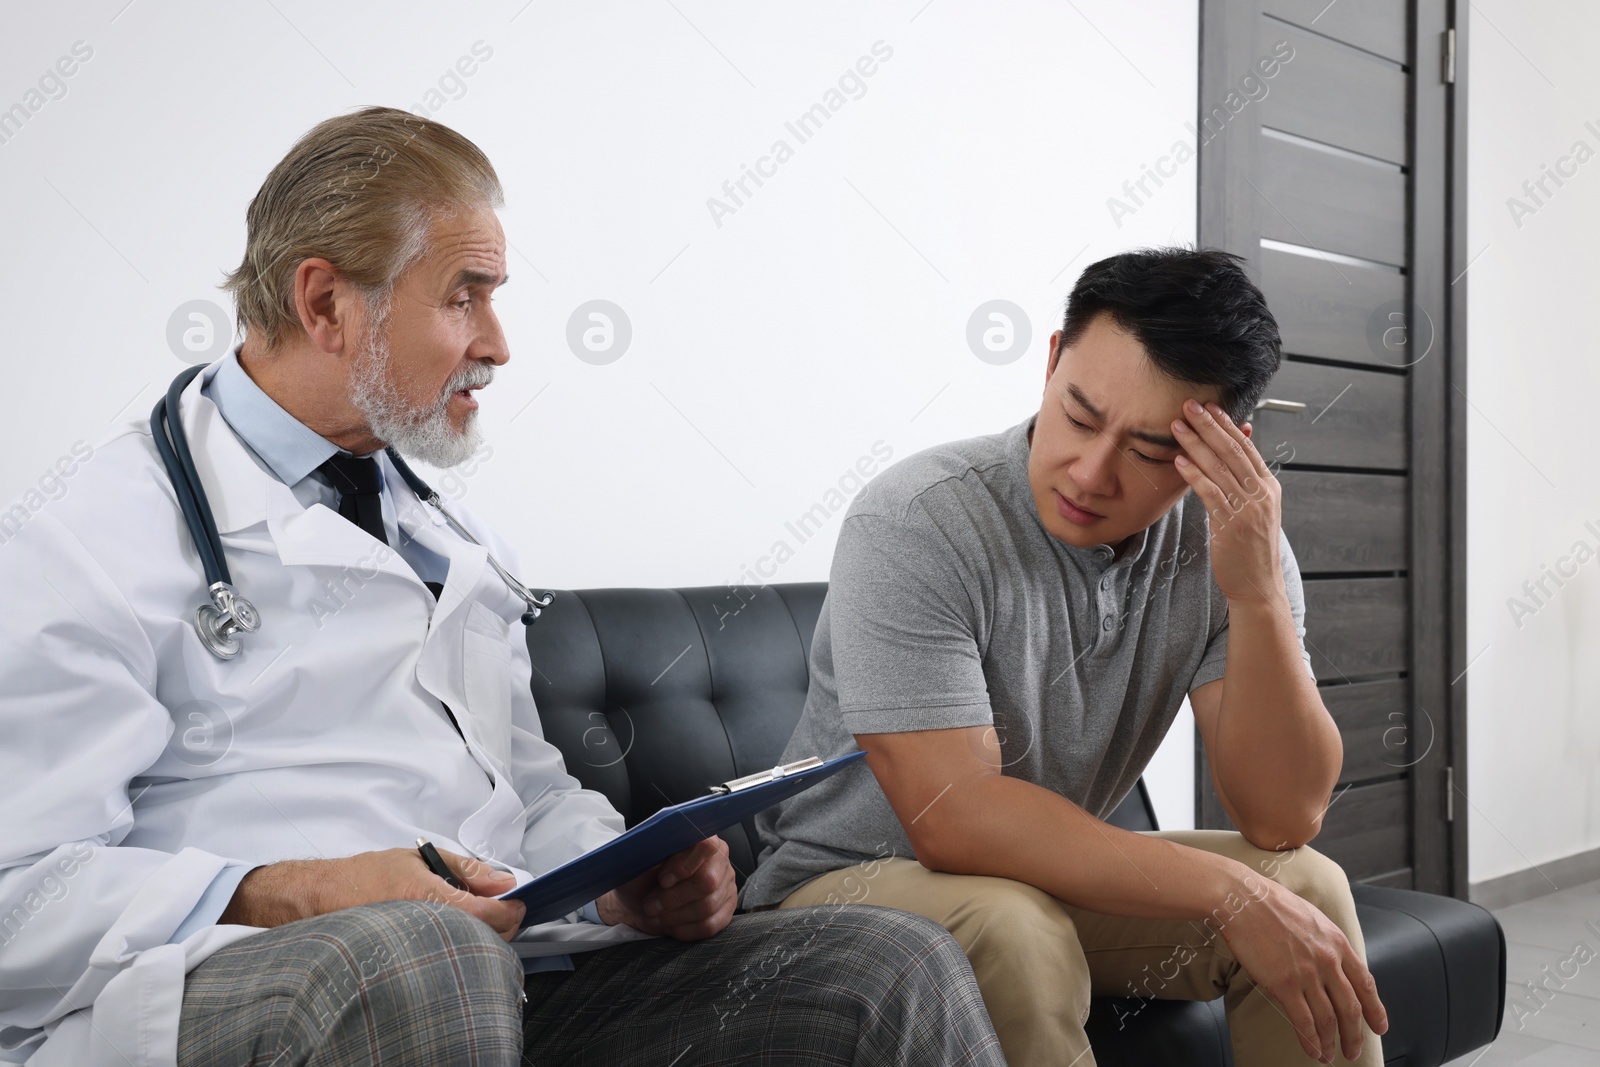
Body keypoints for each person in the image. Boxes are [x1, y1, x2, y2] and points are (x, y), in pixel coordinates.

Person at [0, 107, 1005, 1067]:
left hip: (494, 970)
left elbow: (521, 790)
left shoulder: (446, 531)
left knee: (884, 966)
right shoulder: (86, 538)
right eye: (462, 295)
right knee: (425, 954)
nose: (498, 342)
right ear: (323, 304)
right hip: (220, 989)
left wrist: (619, 887)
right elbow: (19, 894)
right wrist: (302, 890)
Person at [742, 248, 1392, 1067]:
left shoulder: (1232, 546)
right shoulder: (916, 519)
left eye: (1151, 451)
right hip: (840, 889)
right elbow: (955, 815)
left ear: (1223, 450)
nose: (1090, 472)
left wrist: (1257, 593)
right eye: (1081, 416)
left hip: (1036, 881)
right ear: (1052, 362)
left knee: (1310, 889)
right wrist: (1228, 891)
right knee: (1017, 927)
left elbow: (1282, 816)